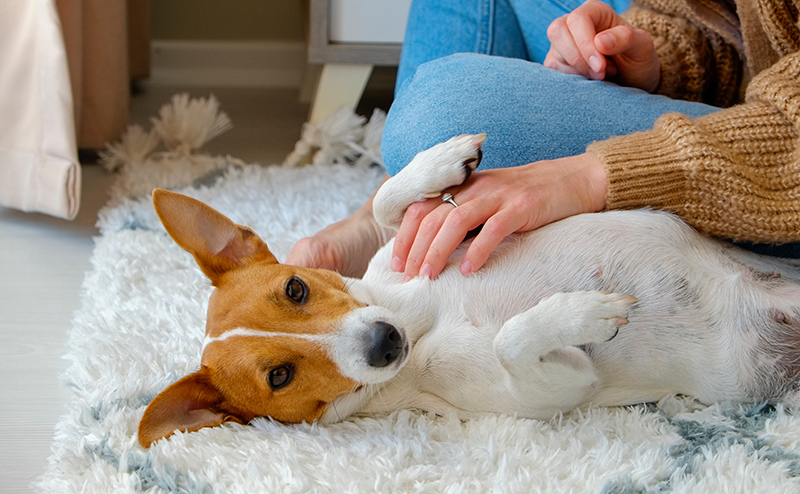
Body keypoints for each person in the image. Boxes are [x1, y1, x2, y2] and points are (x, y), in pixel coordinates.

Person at [287, 0, 800, 281]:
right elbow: (732, 21)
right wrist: (652, 64)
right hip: (755, 100)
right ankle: (389, 217)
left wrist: (589, 174)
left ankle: (407, 214)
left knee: (439, 112)